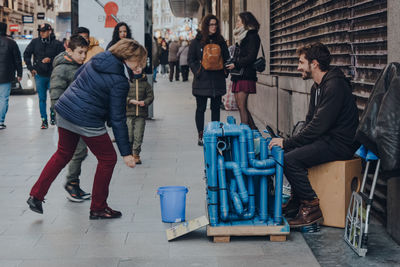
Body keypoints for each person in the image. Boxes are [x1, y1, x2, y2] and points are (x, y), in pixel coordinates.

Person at [27, 39, 147, 219]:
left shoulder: (99, 58)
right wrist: (126, 153)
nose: (140, 67)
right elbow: (118, 117)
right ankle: (98, 207)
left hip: (66, 109)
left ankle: (36, 195)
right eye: (139, 62)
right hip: (86, 118)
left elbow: (78, 76)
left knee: (63, 153)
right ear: (129, 57)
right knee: (108, 158)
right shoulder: (119, 80)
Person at [268, 43, 359, 228]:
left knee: (290, 160)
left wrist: (286, 142)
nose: (298, 67)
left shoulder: (335, 86)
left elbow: (318, 127)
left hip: (340, 144)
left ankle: (311, 208)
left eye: (301, 62)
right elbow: (310, 123)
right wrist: (292, 143)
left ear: (314, 64)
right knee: (290, 154)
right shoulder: (316, 87)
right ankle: (298, 201)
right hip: (326, 139)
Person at [49, 35, 91, 202]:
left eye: (85, 53)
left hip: (79, 116)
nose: (83, 56)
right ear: (69, 50)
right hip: (69, 119)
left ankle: (74, 183)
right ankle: (71, 184)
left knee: (80, 152)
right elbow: (55, 96)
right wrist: (60, 117)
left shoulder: (77, 66)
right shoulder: (62, 69)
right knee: (78, 151)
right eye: (80, 52)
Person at [188, 14, 230, 146]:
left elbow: (226, 58)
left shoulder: (221, 41)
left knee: (216, 108)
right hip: (202, 80)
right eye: (211, 25)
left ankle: (215, 134)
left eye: (215, 24)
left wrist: (225, 71)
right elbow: (191, 59)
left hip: (217, 80)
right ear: (206, 26)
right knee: (201, 108)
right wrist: (198, 71)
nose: (214, 27)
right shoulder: (197, 41)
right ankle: (201, 135)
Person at [24, 23, 65, 129]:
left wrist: (51, 60)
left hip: (54, 75)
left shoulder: (57, 44)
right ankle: (44, 121)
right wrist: (31, 67)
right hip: (40, 75)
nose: (41, 33)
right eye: (40, 31)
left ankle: (53, 115)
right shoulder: (35, 42)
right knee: (42, 99)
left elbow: (62, 58)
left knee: (54, 98)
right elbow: (26, 54)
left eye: (44, 31)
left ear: (49, 31)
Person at [226, 12, 260, 130]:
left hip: (245, 74)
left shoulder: (252, 36)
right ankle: (254, 132)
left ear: (245, 21)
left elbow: (251, 57)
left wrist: (236, 63)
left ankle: (245, 134)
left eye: (238, 21)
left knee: (241, 106)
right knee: (242, 106)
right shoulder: (242, 36)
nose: (236, 23)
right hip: (238, 74)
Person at [126, 71, 154, 164]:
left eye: (140, 67)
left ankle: (136, 154)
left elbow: (151, 96)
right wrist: (130, 101)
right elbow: (121, 95)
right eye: (135, 68)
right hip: (129, 113)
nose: (137, 70)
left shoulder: (145, 83)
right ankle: (129, 153)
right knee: (129, 134)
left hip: (141, 114)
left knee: (138, 134)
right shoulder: (127, 82)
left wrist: (145, 102)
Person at [0, 22, 22, 130]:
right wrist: (20, 73)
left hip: (6, 75)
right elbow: (17, 60)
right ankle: (1, 121)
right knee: (3, 99)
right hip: (6, 75)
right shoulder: (11, 43)